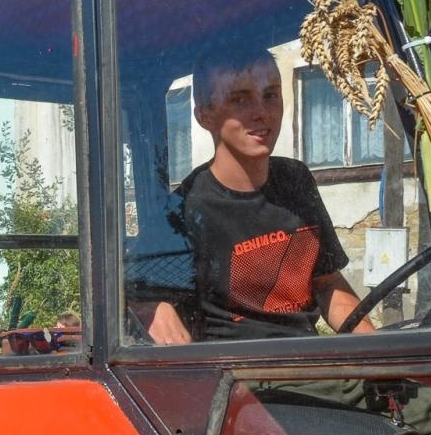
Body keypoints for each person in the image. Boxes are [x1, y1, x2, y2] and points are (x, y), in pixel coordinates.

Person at [133, 48, 374, 344]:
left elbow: (327, 283)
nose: (262, 112)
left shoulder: (295, 180)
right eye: (239, 99)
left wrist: (382, 357)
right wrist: (150, 307)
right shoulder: (184, 209)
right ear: (204, 115)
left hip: (312, 358)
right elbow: (131, 290)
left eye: (271, 95)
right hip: (241, 375)